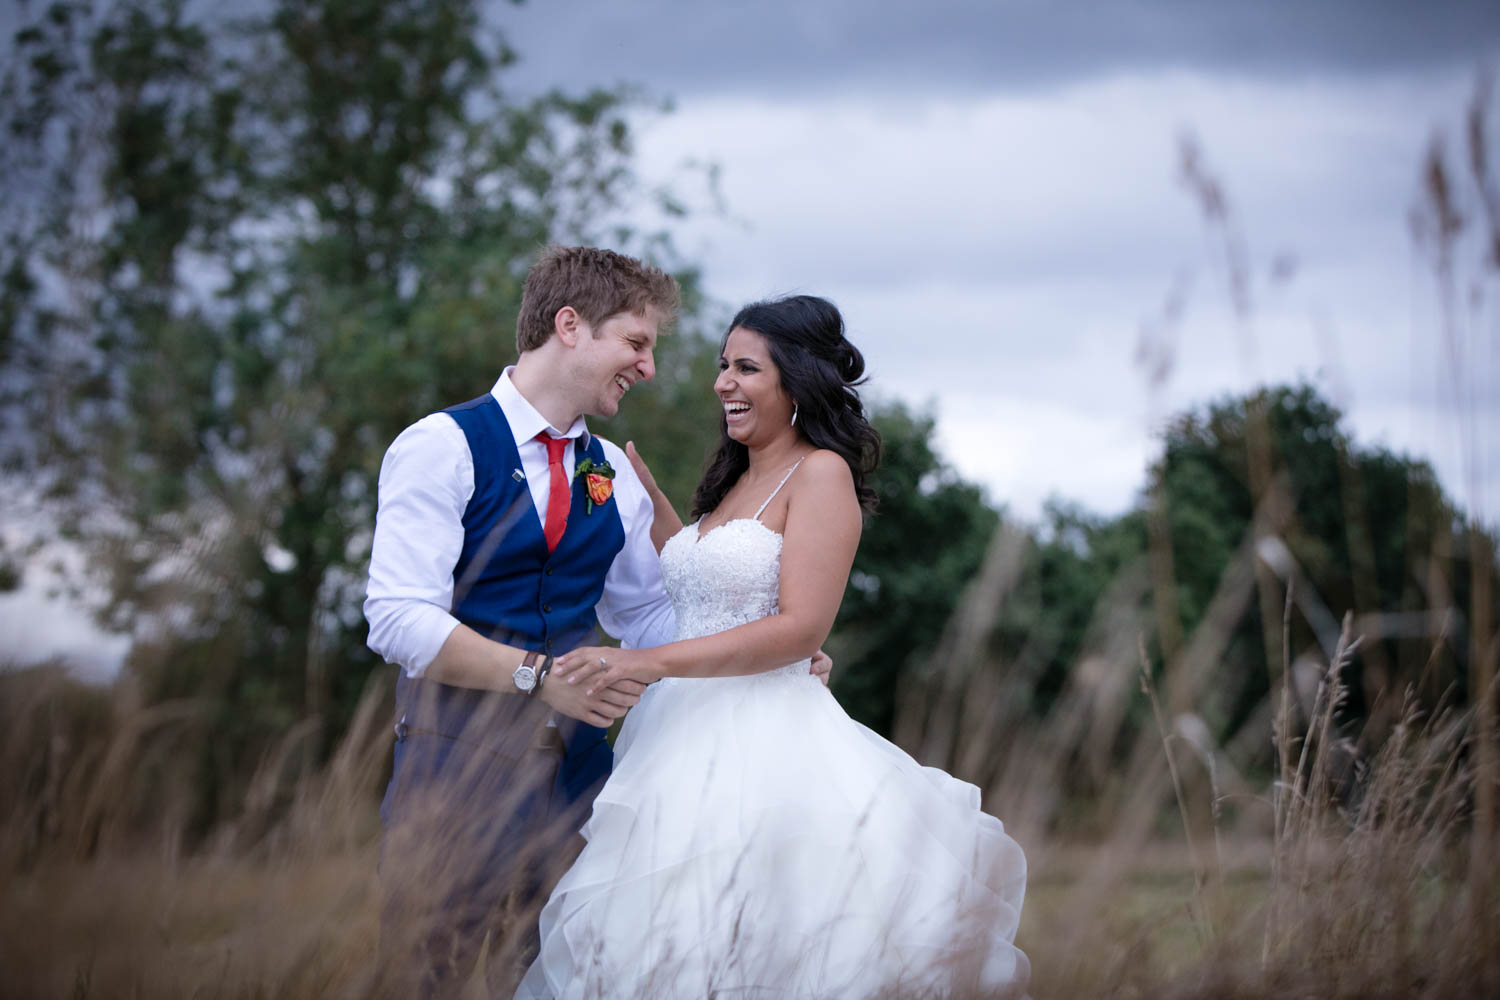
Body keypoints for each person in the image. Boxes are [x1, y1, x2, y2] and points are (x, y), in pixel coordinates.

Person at [516, 295, 1029, 1000]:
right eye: (723, 366)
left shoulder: (821, 473)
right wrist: (656, 506)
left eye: (746, 368)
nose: (723, 382)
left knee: (756, 945)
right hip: (674, 741)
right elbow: (705, 589)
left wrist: (647, 660)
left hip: (765, 749)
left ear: (797, 381)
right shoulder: (735, 479)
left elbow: (799, 628)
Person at [365, 246, 832, 998]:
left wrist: (766, 658)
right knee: (429, 981)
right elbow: (396, 617)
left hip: (583, 794)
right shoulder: (440, 446)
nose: (647, 368)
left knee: (569, 982)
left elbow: (648, 617)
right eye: (637, 343)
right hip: (452, 775)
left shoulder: (610, 475)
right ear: (570, 325)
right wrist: (536, 677)